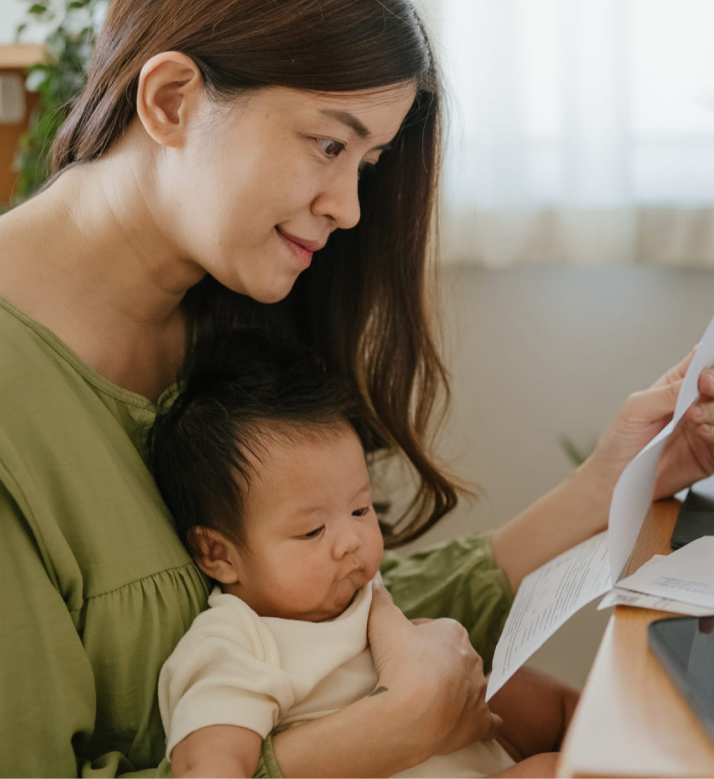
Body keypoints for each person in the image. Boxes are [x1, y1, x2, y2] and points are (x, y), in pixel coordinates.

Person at [0, 0, 713, 779]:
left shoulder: (217, 316)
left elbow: (309, 627)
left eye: (367, 163)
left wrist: (607, 485)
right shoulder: (16, 407)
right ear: (174, 101)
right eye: (328, 146)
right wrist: (370, 741)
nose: (348, 208)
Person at [149, 330, 576, 779]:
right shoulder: (238, 644)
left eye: (360, 509)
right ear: (219, 553)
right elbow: (207, 765)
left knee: (561, 732)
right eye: (312, 530)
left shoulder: (361, 592)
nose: (350, 539)